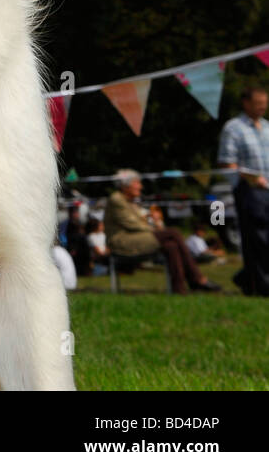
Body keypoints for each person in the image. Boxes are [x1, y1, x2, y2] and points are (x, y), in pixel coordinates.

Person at [103, 170, 220, 294]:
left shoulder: (130, 201)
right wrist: (158, 231)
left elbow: (140, 223)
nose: (140, 186)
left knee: (171, 246)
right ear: (125, 185)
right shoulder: (117, 199)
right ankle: (196, 278)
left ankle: (179, 290)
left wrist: (155, 226)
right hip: (122, 242)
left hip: (135, 238)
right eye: (137, 183)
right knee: (173, 233)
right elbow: (132, 224)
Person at [218, 86, 269, 295]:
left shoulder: (267, 127)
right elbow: (226, 163)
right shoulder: (233, 128)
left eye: (265, 104)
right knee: (258, 239)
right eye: (258, 104)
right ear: (246, 103)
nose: (262, 108)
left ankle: (246, 278)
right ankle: (260, 286)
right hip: (250, 191)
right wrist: (251, 179)